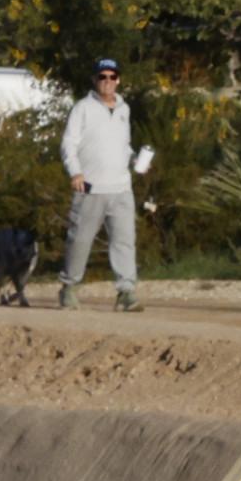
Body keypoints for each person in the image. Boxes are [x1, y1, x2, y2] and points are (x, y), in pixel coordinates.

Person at [59, 59, 147, 312]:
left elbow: (123, 145)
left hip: (121, 188)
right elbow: (68, 143)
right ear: (95, 79)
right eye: (102, 76)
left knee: (124, 242)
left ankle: (126, 292)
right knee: (80, 240)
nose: (107, 81)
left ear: (118, 80)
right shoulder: (82, 108)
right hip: (90, 187)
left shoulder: (123, 109)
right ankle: (69, 287)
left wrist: (135, 160)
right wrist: (75, 172)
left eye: (112, 77)